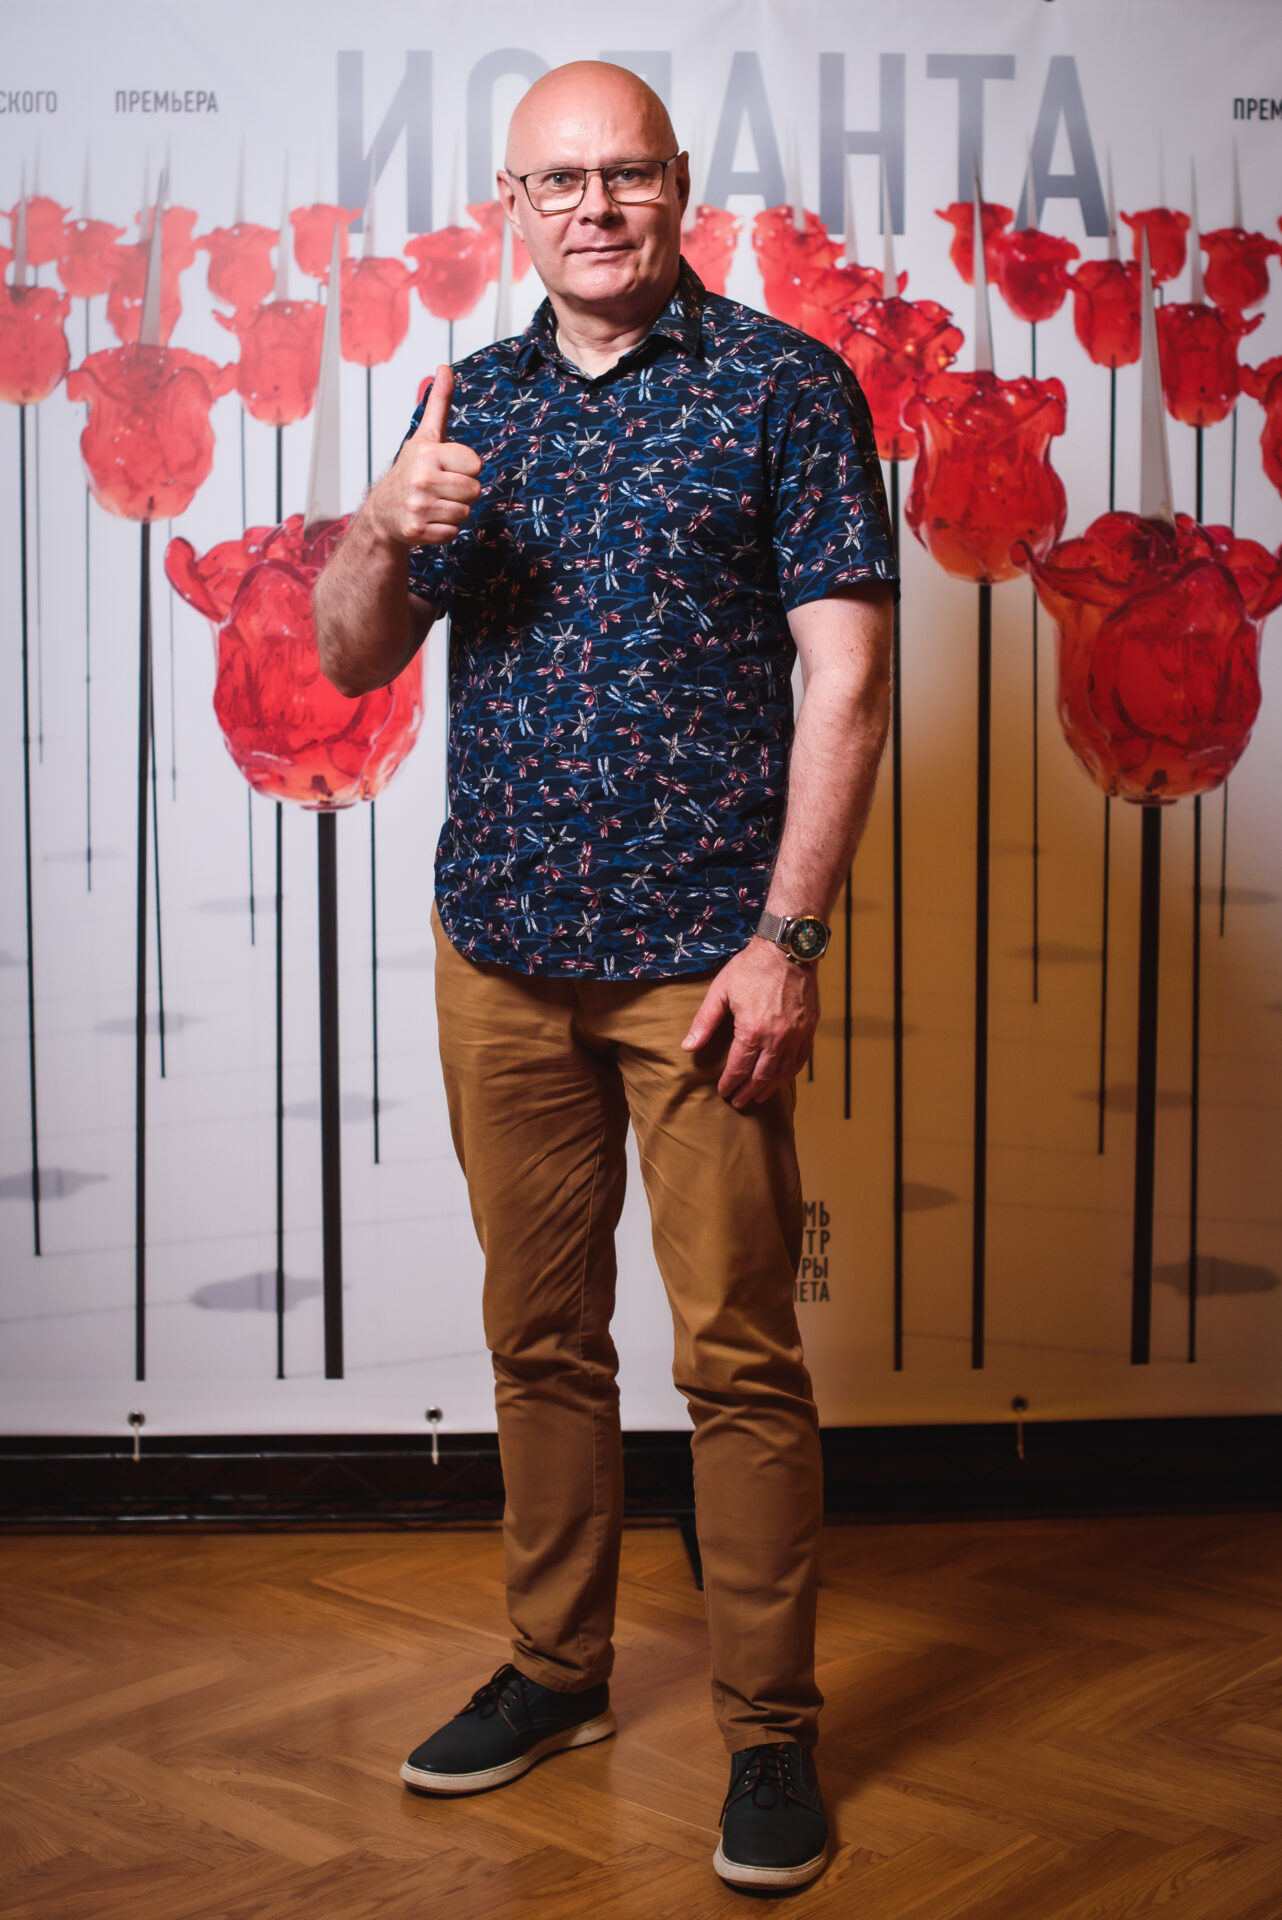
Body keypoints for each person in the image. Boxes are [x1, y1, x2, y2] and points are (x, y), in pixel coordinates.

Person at [314, 58, 895, 1893]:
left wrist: (785, 942)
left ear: (678, 188)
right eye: (557, 181)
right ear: (510, 206)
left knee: (736, 1356)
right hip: (500, 951)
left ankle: (769, 1735)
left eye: (624, 174)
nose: (593, 207)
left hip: (701, 967)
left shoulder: (785, 388)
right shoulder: (466, 406)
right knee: (539, 1339)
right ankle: (557, 1672)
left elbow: (849, 681)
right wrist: (380, 523)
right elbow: (347, 661)